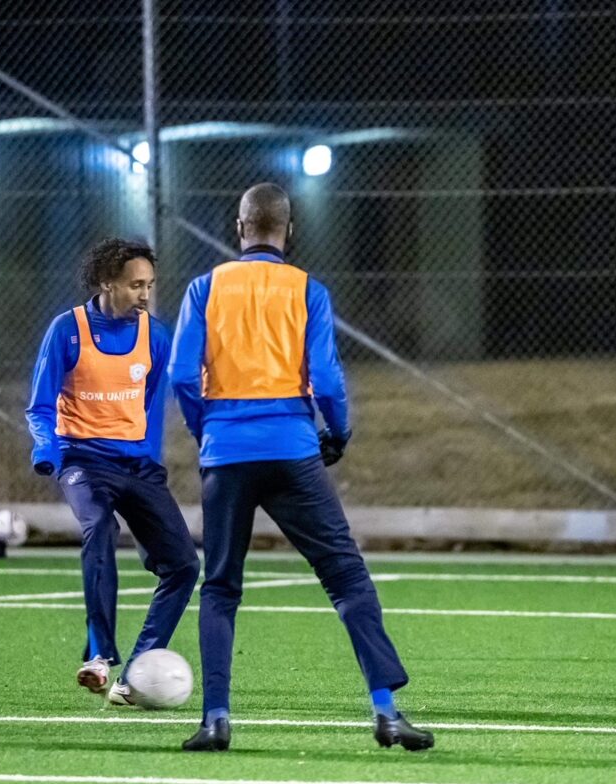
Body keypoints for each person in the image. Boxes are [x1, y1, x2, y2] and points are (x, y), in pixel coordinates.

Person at [168, 182, 431, 752]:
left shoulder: (203, 287)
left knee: (220, 587)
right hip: (292, 448)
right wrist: (337, 430)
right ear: (289, 231)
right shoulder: (307, 289)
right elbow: (328, 379)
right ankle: (386, 712)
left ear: (239, 229)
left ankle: (216, 719)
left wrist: (204, 427)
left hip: (226, 455)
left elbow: (182, 377)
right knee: (346, 577)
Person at [26, 238, 200, 703]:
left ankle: (139, 673)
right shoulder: (67, 330)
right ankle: (99, 658)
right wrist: (48, 450)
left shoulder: (156, 336)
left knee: (184, 566)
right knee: (98, 526)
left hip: (139, 467)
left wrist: (149, 464)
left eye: (150, 285)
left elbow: (151, 412)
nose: (145, 294)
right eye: (135, 285)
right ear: (106, 283)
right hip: (83, 461)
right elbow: (40, 406)